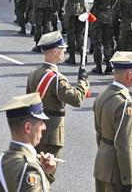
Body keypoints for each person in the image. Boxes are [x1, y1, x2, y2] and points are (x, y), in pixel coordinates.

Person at [26, 31, 89, 185]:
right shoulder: (56, 79)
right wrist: (83, 81)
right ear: (54, 51)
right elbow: (76, 99)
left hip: (35, 126)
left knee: (35, 170)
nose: (64, 52)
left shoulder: (33, 73)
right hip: (52, 133)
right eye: (62, 49)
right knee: (47, 175)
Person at [93, 51, 132, 191]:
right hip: (117, 170)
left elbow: (99, 132)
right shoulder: (125, 103)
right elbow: (124, 144)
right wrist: (127, 177)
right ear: (129, 74)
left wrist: (105, 152)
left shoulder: (103, 94)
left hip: (103, 163)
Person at [0, 93, 56, 192]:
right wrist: (38, 170)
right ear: (28, 127)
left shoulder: (3, 158)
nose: (44, 127)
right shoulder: (29, 167)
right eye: (41, 123)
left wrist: (43, 172)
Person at [56, 0, 89, 64]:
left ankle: (72, 57)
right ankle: (83, 53)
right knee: (80, 33)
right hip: (82, 8)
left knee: (71, 33)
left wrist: (59, 8)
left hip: (71, 8)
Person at [90, 0, 117, 74]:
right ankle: (109, 63)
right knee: (108, 42)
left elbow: (90, 4)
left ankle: (98, 66)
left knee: (97, 43)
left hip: (98, 18)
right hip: (109, 17)